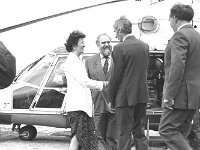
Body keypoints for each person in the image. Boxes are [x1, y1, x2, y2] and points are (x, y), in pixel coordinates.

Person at [158, 3, 200, 150]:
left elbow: (176, 68)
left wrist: (168, 96)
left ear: (174, 18)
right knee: (182, 132)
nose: (170, 23)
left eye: (169, 19)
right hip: (194, 96)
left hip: (180, 96)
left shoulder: (180, 35)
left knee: (166, 130)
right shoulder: (197, 36)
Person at [61, 30, 110, 150]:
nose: (84, 45)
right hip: (78, 107)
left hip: (81, 107)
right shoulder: (73, 61)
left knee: (79, 138)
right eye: (82, 42)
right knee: (77, 137)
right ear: (74, 45)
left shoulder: (76, 60)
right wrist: (104, 84)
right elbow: (85, 82)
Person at [108, 16, 150, 150]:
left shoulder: (119, 48)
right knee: (139, 133)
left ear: (120, 29)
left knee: (123, 133)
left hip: (124, 98)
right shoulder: (145, 46)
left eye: (115, 31)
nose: (115, 35)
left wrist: (110, 98)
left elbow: (116, 76)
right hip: (142, 96)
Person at [85, 33, 117, 150]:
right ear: (97, 45)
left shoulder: (118, 58)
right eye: (103, 43)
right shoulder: (89, 61)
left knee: (112, 137)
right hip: (97, 105)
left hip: (115, 105)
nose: (107, 45)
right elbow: (86, 83)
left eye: (109, 42)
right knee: (98, 137)